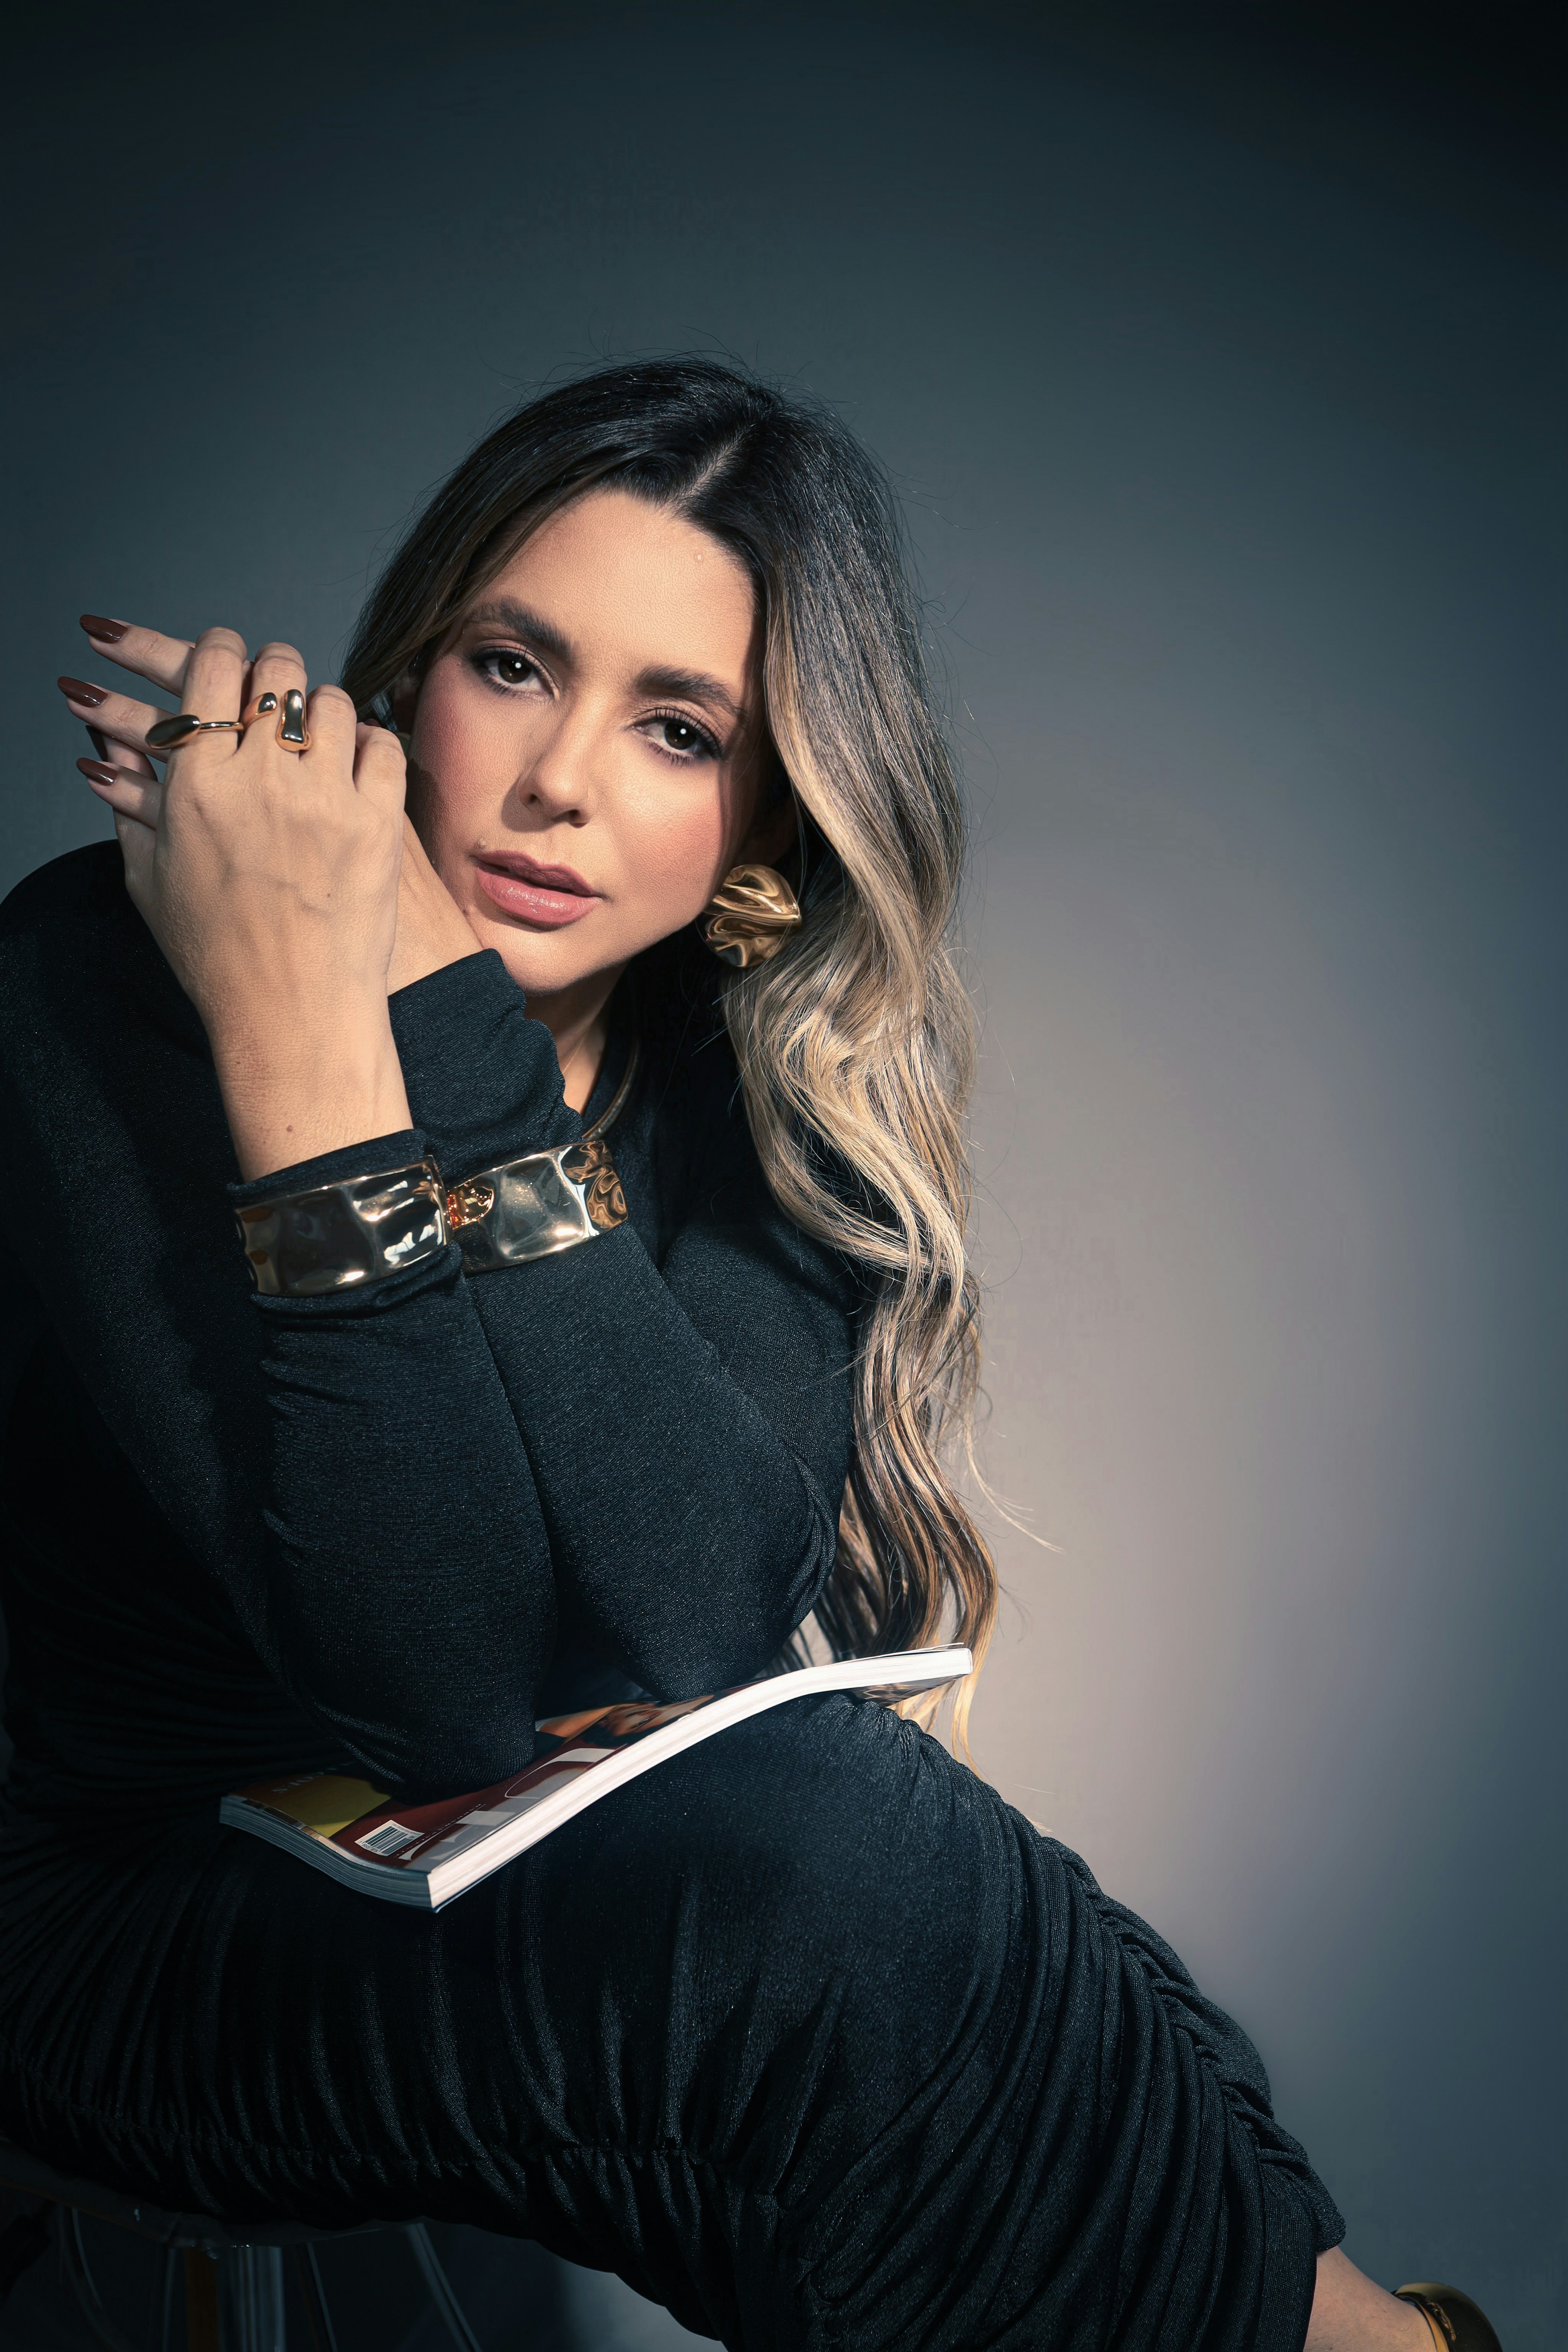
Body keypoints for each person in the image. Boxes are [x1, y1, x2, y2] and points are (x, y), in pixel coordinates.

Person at [0, 360, 1475, 2350]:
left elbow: (701, 1625)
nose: (560, 785)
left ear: (765, 799)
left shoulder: (746, 1086)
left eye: (676, 725)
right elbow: (429, 1691)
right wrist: (300, 1033)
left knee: (967, 1919)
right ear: (406, 677)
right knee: (849, 1888)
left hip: (476, 1909)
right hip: (127, 1924)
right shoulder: (92, 980)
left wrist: (442, 1008)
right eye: (515, 668)